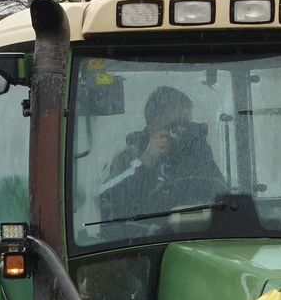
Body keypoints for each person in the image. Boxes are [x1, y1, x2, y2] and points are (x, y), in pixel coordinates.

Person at [96, 85, 228, 223]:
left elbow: (221, 197)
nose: (182, 131)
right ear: (153, 123)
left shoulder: (197, 154)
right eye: (175, 125)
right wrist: (147, 159)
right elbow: (109, 203)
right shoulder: (128, 158)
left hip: (193, 230)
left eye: (187, 125)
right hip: (144, 232)